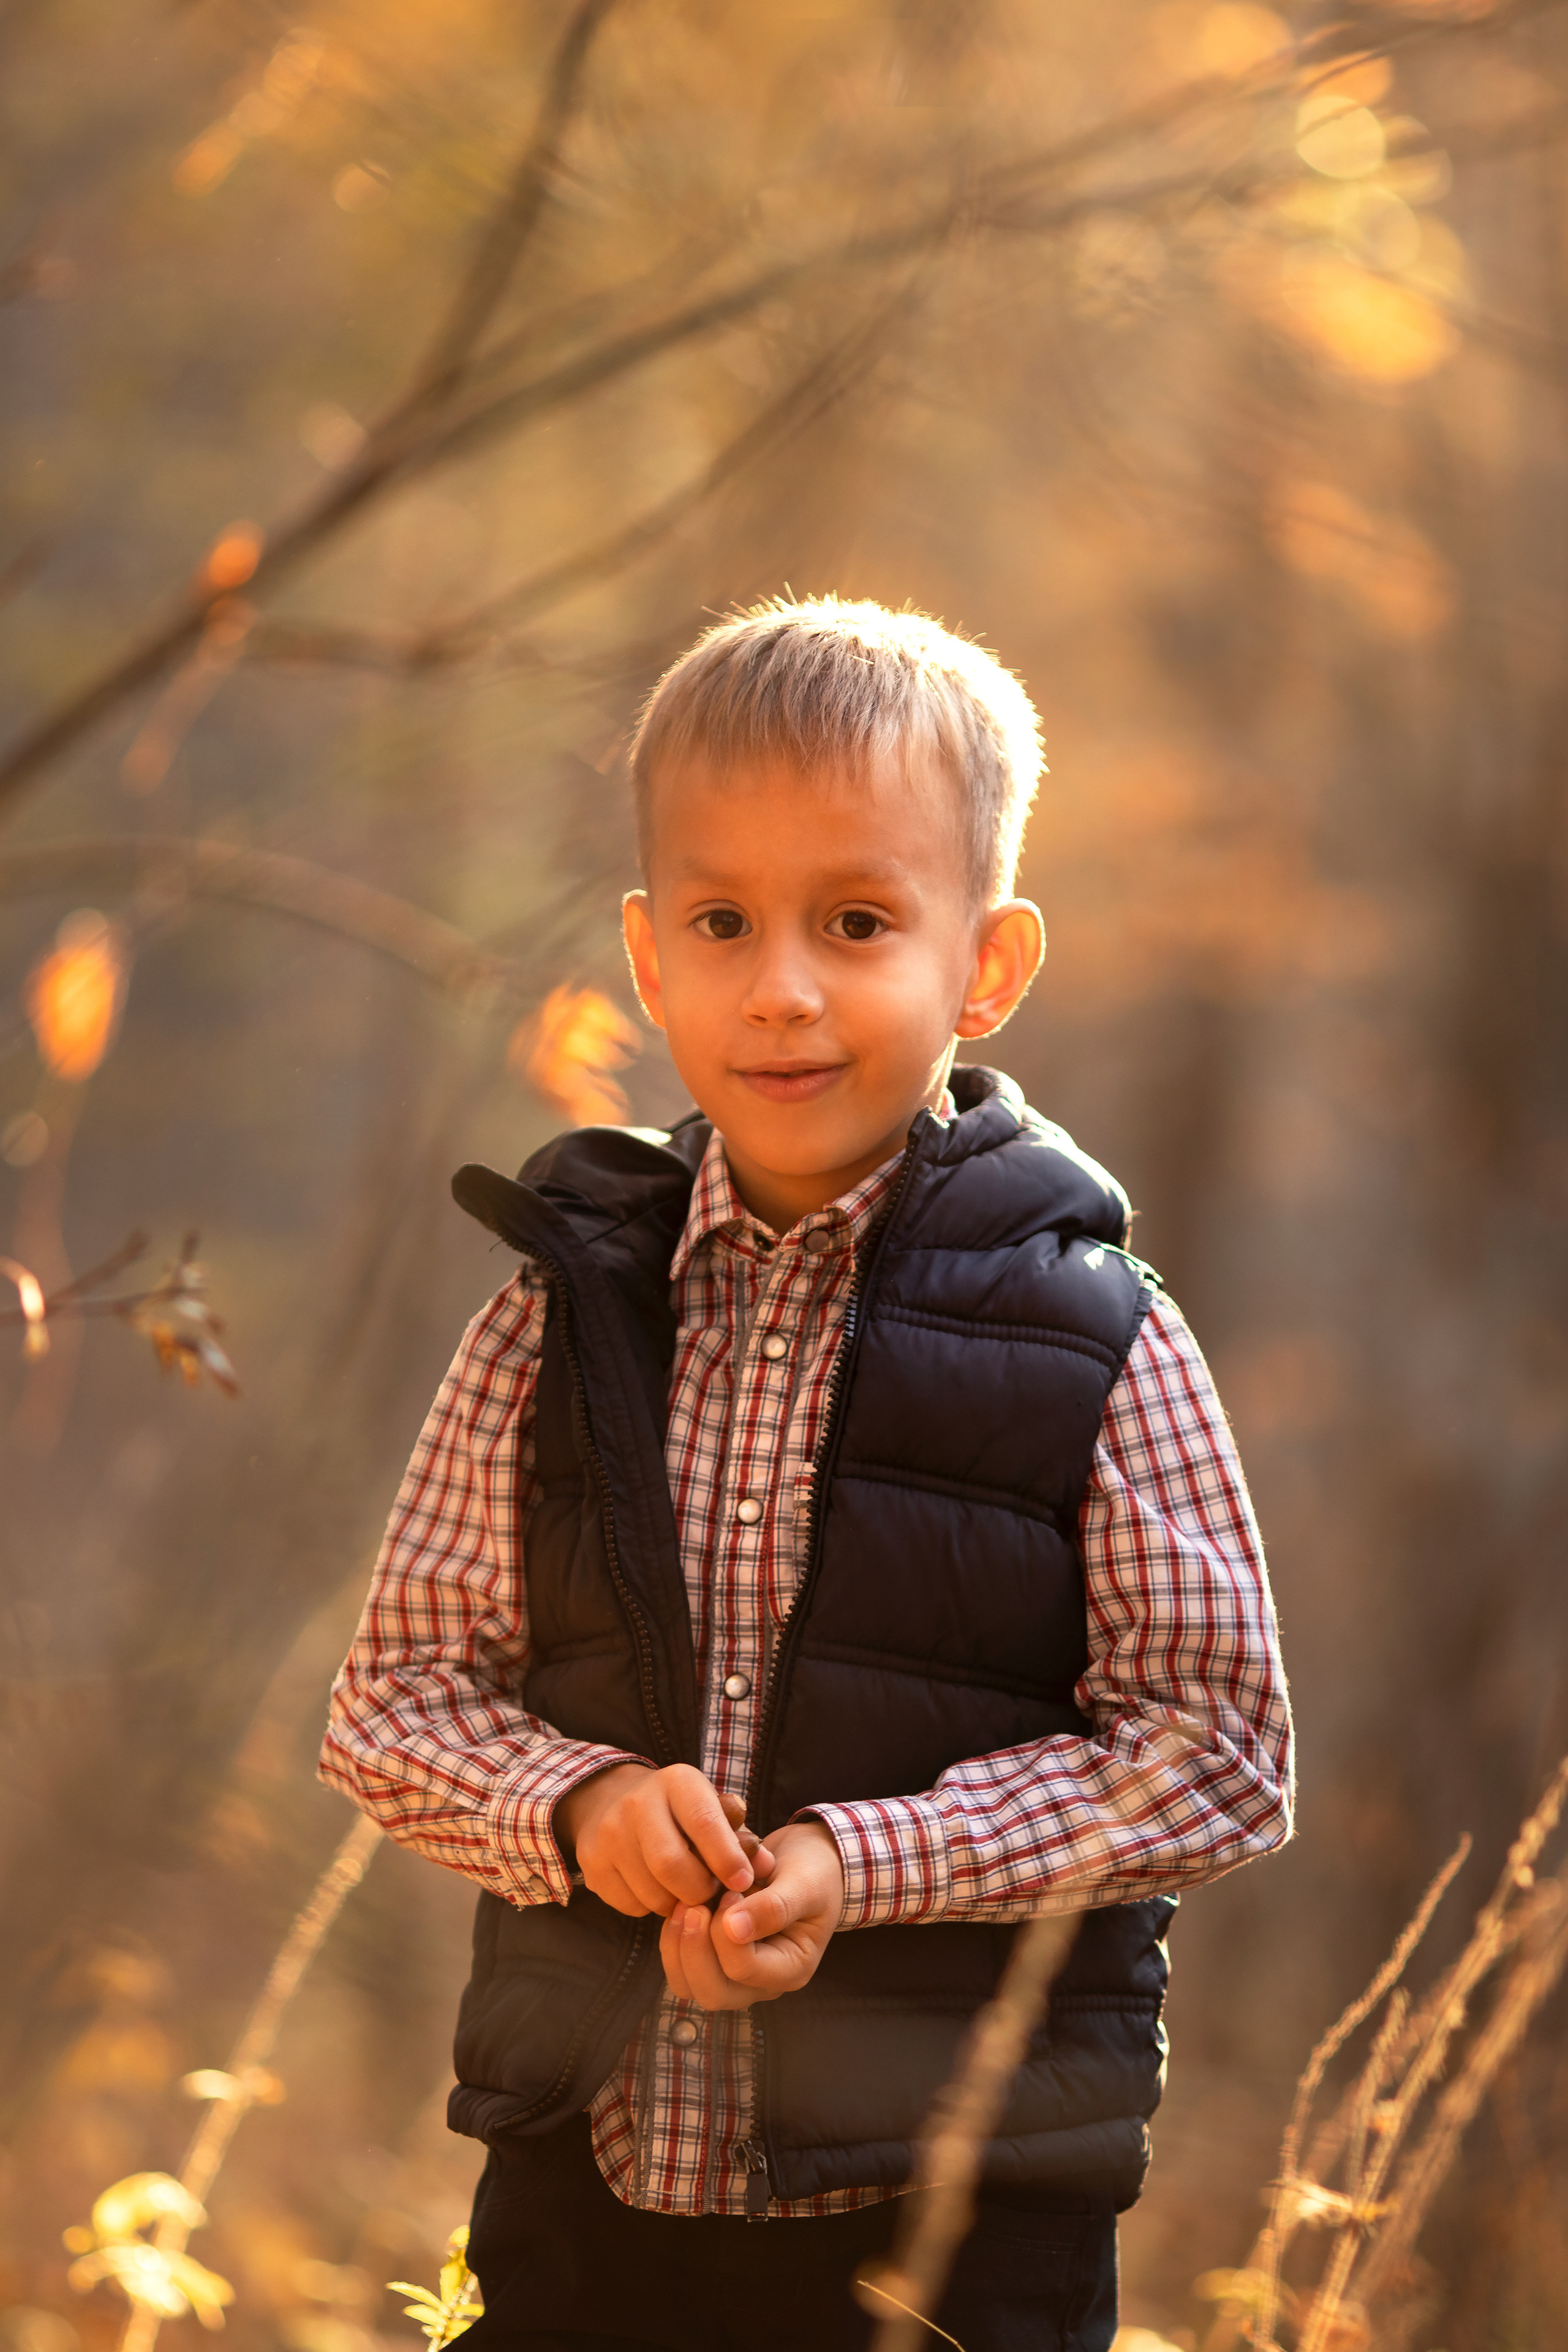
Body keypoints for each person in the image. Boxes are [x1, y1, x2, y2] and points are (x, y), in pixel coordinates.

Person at [320, 597, 1292, 2352]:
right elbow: (392, 1701)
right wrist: (580, 1810)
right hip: (587, 2202)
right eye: (722, 920)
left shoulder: (1094, 1338)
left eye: (857, 921)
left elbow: (1220, 1752)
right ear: (646, 954)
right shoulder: (562, 1317)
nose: (780, 985)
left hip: (952, 2231)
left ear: (984, 965)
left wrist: (872, 1858)